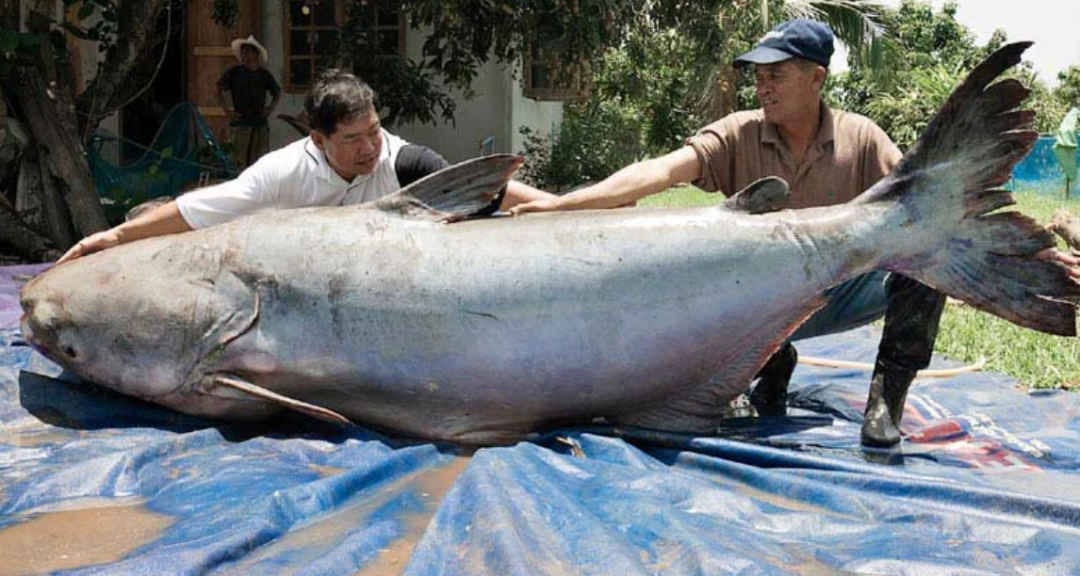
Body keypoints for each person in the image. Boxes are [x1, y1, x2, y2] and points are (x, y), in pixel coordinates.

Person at [510, 19, 1077, 448]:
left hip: (841, 291)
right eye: (758, 76)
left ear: (816, 78)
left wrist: (1003, 262)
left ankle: (887, 400)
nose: (763, 86)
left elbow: (926, 212)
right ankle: (767, 364)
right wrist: (563, 204)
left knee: (919, 249)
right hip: (752, 304)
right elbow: (656, 173)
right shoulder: (737, 134)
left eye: (776, 74)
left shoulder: (862, 138)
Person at [60, 70, 555, 263]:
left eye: (374, 131)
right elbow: (195, 212)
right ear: (318, 140)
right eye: (353, 139)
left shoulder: (403, 161)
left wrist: (565, 207)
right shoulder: (278, 176)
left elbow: (485, 189)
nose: (370, 148)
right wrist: (116, 239)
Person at [218, 36, 282, 169]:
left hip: (259, 123)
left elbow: (277, 93)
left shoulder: (264, 75)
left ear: (255, 54)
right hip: (240, 123)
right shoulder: (235, 72)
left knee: (258, 162)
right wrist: (227, 110)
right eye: (243, 52)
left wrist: (269, 109)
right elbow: (218, 89)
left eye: (247, 52)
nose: (244, 55)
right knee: (238, 161)